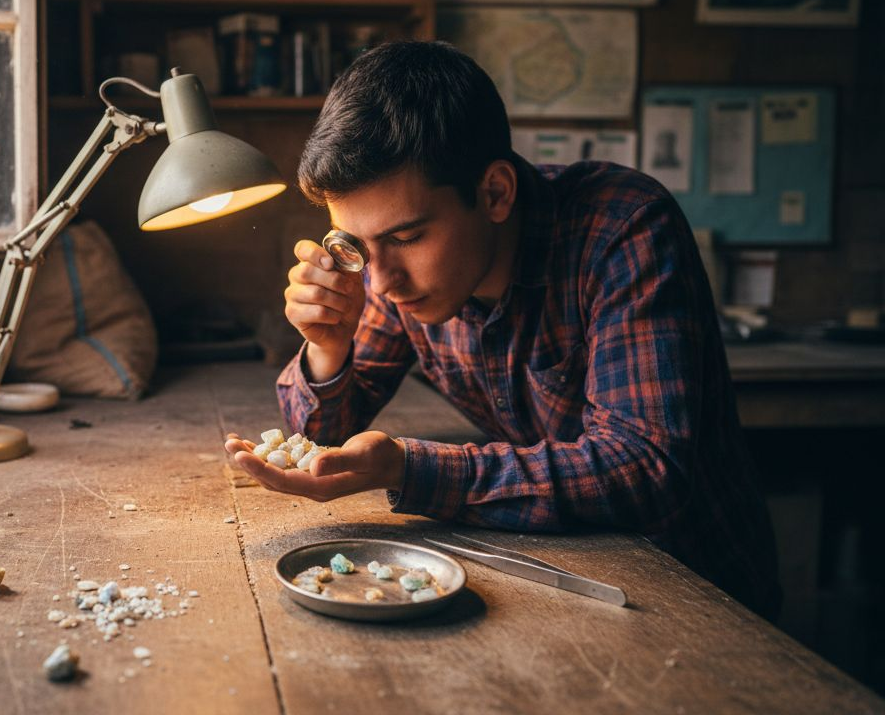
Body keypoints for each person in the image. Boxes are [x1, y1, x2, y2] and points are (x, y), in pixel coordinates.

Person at [223, 41, 781, 619]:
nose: (381, 282)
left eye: (406, 237)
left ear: (495, 193)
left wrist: (409, 469)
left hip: (698, 593)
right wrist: (327, 347)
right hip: (558, 581)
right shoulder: (400, 277)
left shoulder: (624, 227)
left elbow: (643, 468)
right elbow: (321, 443)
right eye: (357, 246)